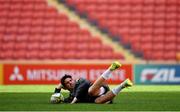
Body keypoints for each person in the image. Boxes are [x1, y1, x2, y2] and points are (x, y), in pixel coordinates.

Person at [51, 61, 133, 104]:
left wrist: (74, 100)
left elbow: (83, 87)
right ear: (65, 87)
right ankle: (123, 85)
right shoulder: (71, 96)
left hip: (99, 88)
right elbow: (57, 99)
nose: (71, 82)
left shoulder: (80, 81)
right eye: (67, 83)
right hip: (98, 97)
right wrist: (58, 89)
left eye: (70, 80)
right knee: (98, 102)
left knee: (90, 91)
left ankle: (110, 69)